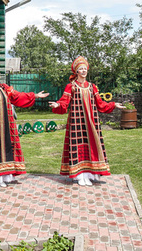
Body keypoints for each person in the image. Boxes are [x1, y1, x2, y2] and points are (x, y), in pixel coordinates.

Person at [48, 56, 124, 186]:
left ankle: (90, 174)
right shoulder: (71, 86)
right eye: (81, 69)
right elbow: (64, 102)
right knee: (78, 145)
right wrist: (57, 105)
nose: (84, 71)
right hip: (77, 121)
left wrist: (113, 104)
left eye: (85, 68)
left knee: (92, 145)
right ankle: (80, 175)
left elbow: (100, 104)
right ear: (76, 71)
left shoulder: (92, 87)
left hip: (91, 122)